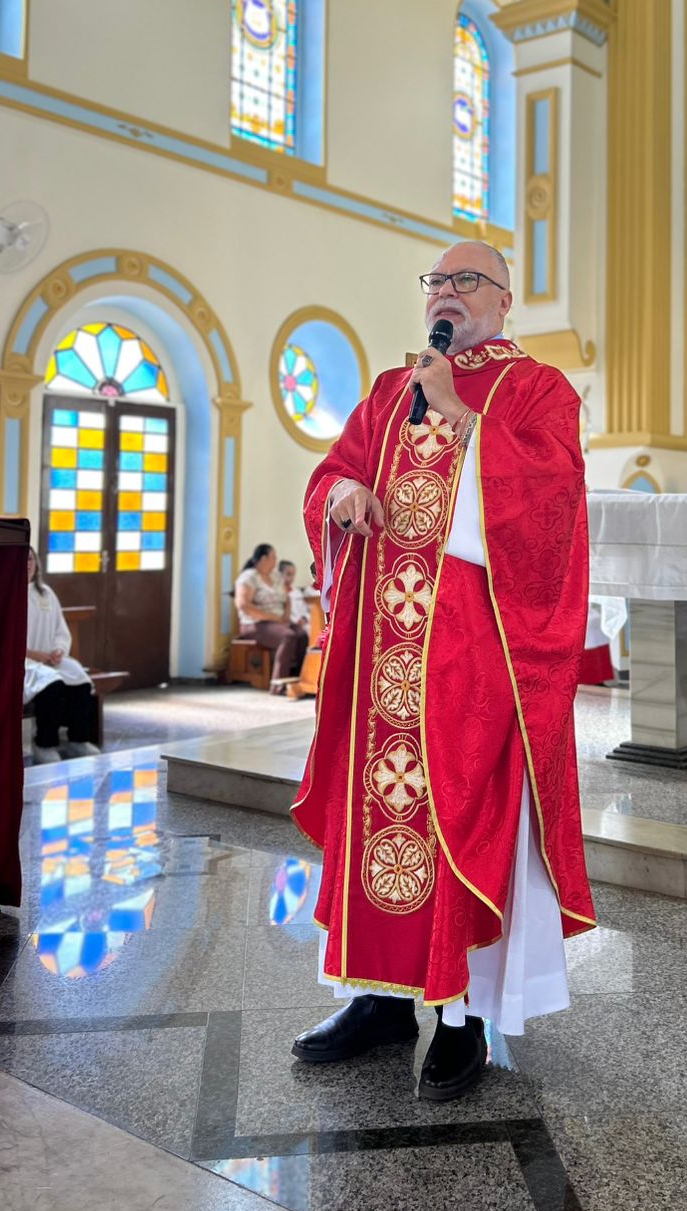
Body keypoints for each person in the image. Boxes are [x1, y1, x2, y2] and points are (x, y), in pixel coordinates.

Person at [290, 240, 595, 1103]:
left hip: (473, 657)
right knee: (373, 826)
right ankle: (378, 1000)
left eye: (468, 282)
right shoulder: (392, 388)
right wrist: (342, 499)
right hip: (380, 650)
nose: (449, 294)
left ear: (504, 301)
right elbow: (334, 472)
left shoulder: (537, 390)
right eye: (439, 282)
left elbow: (554, 506)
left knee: (460, 821)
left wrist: (466, 417)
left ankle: (458, 1016)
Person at [25, 548, 100, 762]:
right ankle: (44, 744)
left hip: (49, 658)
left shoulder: (45, 593)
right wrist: (35, 655)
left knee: (79, 678)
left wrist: (58, 650)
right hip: (23, 662)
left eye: (30, 559)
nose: (27, 564)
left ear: (36, 563)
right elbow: (4, 639)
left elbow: (60, 630)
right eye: (21, 560)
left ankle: (78, 740)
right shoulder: (8, 593)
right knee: (52, 683)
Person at [234, 543, 305, 685]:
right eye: (273, 557)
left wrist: (286, 615)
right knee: (288, 636)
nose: (276, 560)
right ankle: (278, 683)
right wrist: (274, 618)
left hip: (278, 622)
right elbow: (243, 605)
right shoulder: (248, 577)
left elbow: (287, 599)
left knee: (302, 635)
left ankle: (297, 679)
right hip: (254, 624)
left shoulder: (276, 577)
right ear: (264, 558)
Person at [279, 558, 312, 633]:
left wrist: (304, 618)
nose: (291, 578)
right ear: (279, 574)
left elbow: (306, 611)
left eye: (293, 575)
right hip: (287, 626)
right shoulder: (276, 593)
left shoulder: (297, 593)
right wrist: (295, 622)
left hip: (303, 625)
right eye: (288, 574)